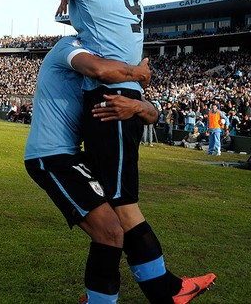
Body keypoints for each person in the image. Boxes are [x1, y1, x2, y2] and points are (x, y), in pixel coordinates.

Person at [21, 0, 215, 303]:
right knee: (117, 217)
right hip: (101, 112)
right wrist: (139, 78)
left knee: (120, 214)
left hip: (111, 102)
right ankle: (164, 290)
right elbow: (105, 58)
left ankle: (161, 291)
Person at [24, 35, 153, 304]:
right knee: (111, 231)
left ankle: (100, 297)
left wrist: (139, 105)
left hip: (75, 155)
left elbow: (153, 111)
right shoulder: (69, 47)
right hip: (50, 155)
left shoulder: (112, 63)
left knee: (116, 227)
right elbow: (98, 69)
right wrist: (137, 72)